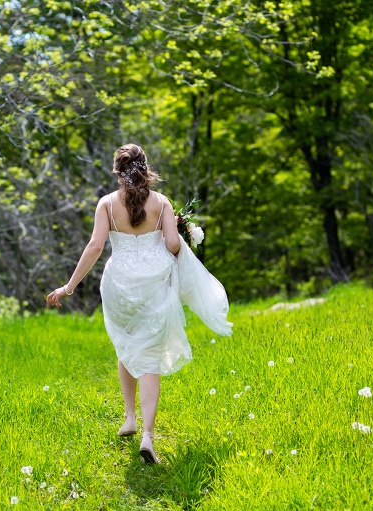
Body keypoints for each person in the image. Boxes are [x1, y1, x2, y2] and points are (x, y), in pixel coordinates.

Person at [46, 143, 232, 464]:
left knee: (127, 344)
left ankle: (129, 417)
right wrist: (176, 239)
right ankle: (147, 435)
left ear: (118, 172)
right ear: (145, 168)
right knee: (149, 358)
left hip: (118, 286)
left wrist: (68, 287)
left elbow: (95, 246)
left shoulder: (107, 204)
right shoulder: (161, 203)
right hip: (154, 285)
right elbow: (172, 244)